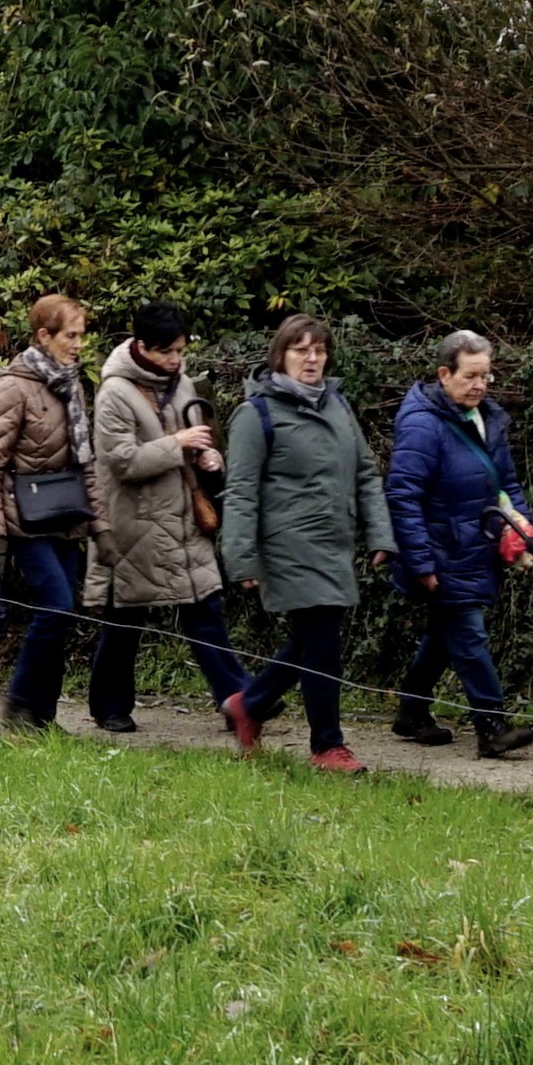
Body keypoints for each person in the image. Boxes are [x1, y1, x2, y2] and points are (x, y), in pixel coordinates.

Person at [220, 314, 397, 772]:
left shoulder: (337, 405)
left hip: (334, 541)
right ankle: (327, 746)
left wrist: (380, 533)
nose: (312, 358)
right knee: (322, 641)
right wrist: (240, 557)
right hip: (288, 544)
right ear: (280, 356)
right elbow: (241, 491)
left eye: (319, 349)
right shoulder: (256, 415)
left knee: (311, 640)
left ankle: (249, 704)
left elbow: (364, 472)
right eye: (301, 350)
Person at [384, 331, 533, 759]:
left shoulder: (489, 418)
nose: (480, 385)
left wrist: (522, 528)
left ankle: (412, 710)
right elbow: (403, 496)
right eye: (471, 376)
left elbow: (507, 481)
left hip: (477, 549)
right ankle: (492, 726)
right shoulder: (422, 424)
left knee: (445, 634)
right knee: (469, 635)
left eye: (485, 376)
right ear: (444, 374)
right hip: (442, 551)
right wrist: (420, 561)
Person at [91, 304, 245, 732]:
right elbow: (121, 461)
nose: (176, 360)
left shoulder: (183, 384)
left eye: (180, 350)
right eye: (167, 352)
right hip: (134, 522)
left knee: (205, 606)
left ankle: (239, 701)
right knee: (126, 616)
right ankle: (109, 705)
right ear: (142, 347)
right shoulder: (114, 393)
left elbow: (195, 443)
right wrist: (178, 444)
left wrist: (209, 458)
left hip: (184, 516)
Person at [0, 295, 110, 732]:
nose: (78, 344)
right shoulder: (13, 387)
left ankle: (44, 717)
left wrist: (102, 527)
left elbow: (86, 462)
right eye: (70, 336)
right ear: (43, 336)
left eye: (80, 335)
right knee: (55, 606)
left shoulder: (70, 384)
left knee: (65, 613)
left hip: (66, 513)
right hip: (25, 517)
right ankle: (18, 704)